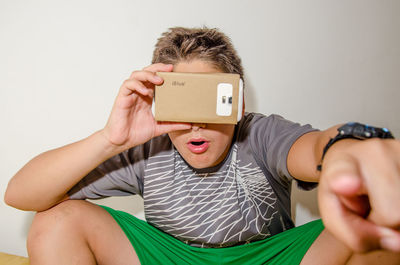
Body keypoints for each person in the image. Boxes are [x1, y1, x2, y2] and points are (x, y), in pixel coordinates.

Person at [4, 27, 400, 265]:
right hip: (172, 258)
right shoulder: (147, 149)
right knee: (56, 218)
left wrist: (351, 147)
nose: (196, 123)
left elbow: (314, 150)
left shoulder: (258, 133)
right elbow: (20, 193)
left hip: (267, 258)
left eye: (212, 101)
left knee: (377, 223)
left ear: (238, 102)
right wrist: (112, 139)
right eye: (183, 103)